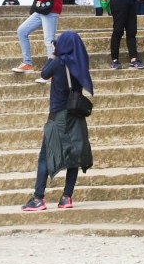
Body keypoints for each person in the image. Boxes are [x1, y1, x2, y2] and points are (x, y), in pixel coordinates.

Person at [21, 31, 93, 211]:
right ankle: (66, 197)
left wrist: (53, 54)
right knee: (74, 156)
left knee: (45, 155)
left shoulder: (58, 62)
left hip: (58, 116)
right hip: (76, 115)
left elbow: (44, 73)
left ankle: (38, 198)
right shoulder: (80, 62)